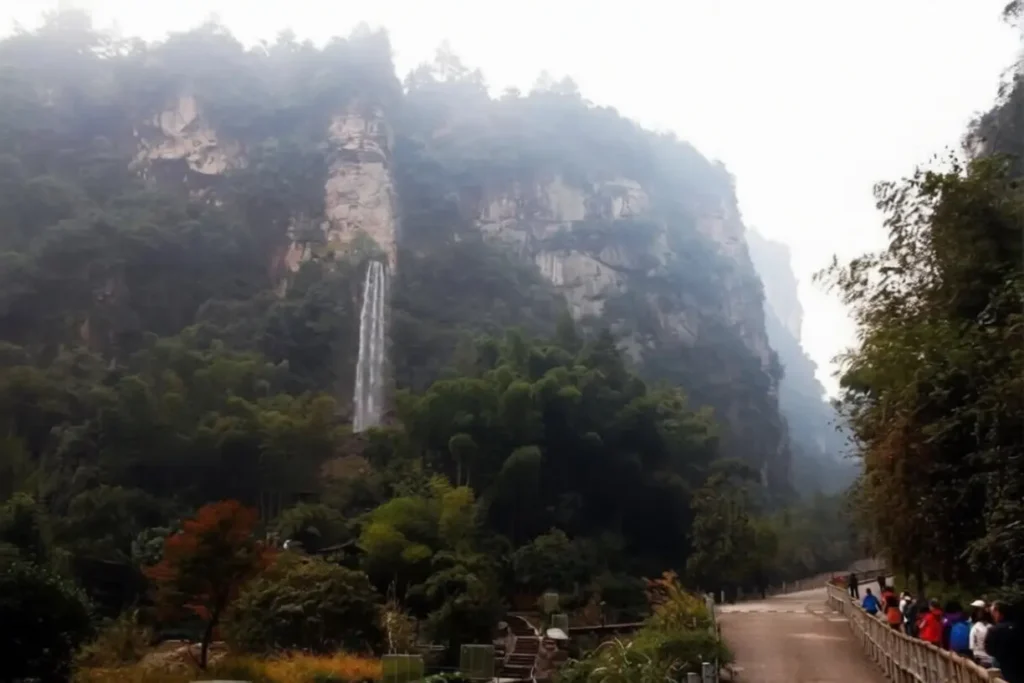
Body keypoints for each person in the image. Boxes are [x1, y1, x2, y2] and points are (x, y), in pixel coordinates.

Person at [986, 601, 1023, 683]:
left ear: (998, 613)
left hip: (1002, 666)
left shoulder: (994, 630)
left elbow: (989, 649)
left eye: (994, 612)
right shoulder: (1019, 626)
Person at [969, 600, 993, 667]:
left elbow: (971, 646)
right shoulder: (991, 627)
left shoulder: (976, 627)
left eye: (978, 609)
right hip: (988, 659)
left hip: (980, 658)